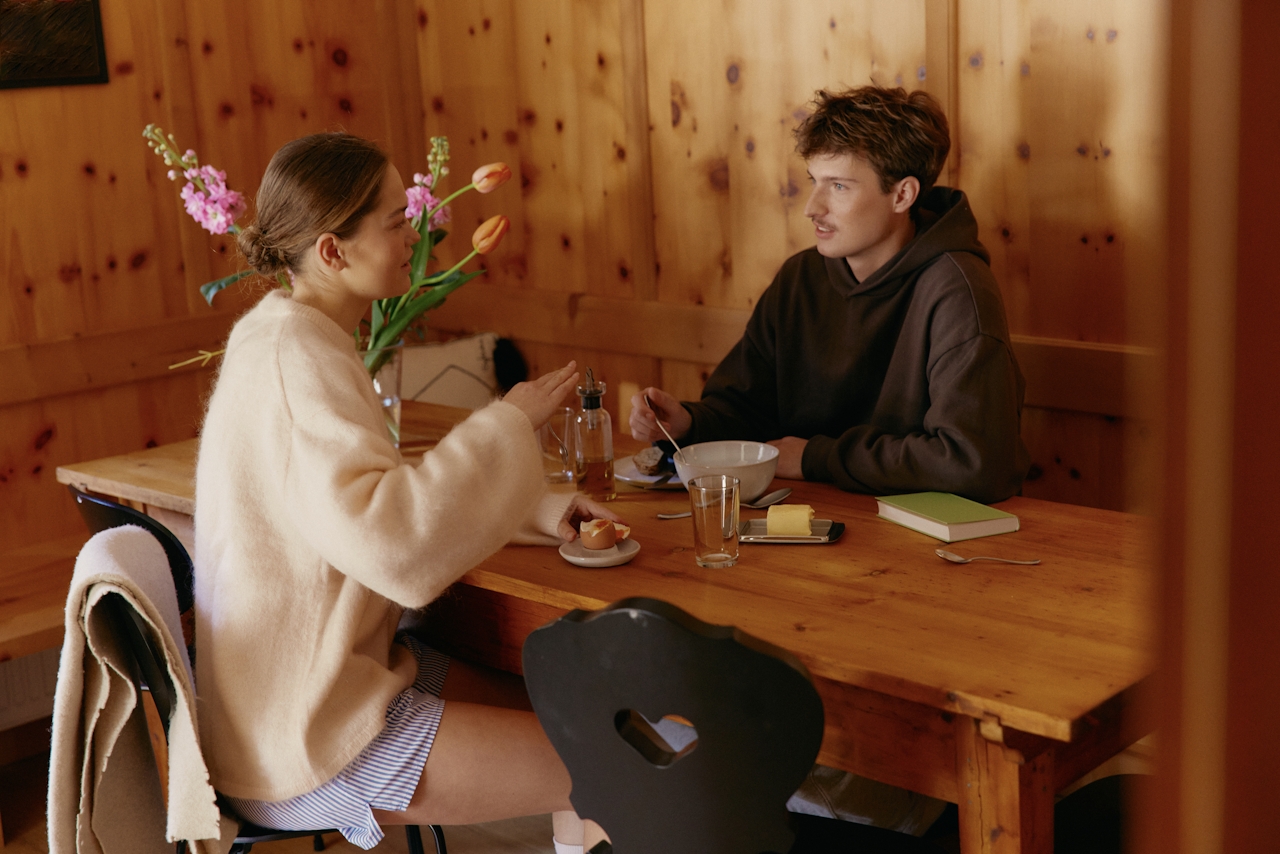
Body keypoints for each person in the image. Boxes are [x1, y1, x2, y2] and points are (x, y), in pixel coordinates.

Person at [194, 132, 610, 853]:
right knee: (610, 764)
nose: (415, 231)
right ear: (332, 251)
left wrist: (536, 511)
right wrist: (509, 423)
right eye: (394, 221)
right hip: (308, 738)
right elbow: (395, 549)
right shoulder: (299, 355)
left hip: (300, 701)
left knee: (586, 716)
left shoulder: (279, 335)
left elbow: (356, 506)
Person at [631, 86, 1029, 504]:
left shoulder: (959, 291)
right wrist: (689, 423)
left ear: (902, 195)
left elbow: (976, 463)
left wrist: (815, 458)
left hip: (919, 542)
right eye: (814, 181)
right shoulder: (800, 277)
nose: (811, 207)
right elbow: (747, 411)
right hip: (802, 516)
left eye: (838, 186)